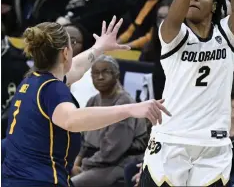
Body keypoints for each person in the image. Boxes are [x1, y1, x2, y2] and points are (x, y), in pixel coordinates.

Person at [2, 16, 171, 187]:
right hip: (39, 181)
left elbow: (76, 67)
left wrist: (99, 47)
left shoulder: (31, 80)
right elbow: (71, 119)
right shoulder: (52, 88)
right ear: (66, 52)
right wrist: (131, 109)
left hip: (13, 178)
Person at [139, 0, 234, 186]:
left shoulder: (227, 35)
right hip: (171, 138)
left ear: (214, 5)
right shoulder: (172, 34)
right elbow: (175, 15)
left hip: (214, 143)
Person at [71, 55, 148, 186]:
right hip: (93, 161)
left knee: (72, 183)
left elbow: (112, 151)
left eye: (106, 72)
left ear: (117, 74)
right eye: (95, 73)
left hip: (120, 163)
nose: (100, 77)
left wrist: (83, 165)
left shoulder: (124, 103)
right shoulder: (93, 101)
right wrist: (75, 163)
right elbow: (82, 139)